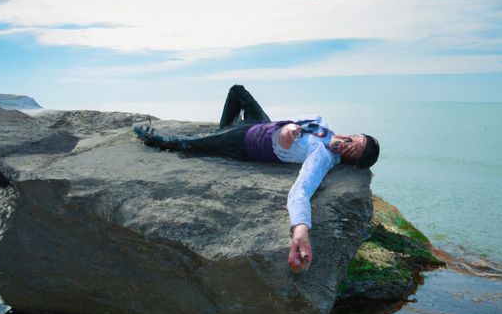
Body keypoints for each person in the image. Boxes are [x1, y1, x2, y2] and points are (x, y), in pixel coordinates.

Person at [133, 84, 379, 272]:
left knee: (182, 145)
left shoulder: (321, 157)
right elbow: (306, 122)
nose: (346, 144)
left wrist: (301, 229)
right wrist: (291, 127)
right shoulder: (325, 127)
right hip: (262, 125)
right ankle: (222, 131)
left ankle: (201, 137)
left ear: (348, 160)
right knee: (237, 91)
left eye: (351, 150)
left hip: (246, 142)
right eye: (352, 139)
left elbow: (301, 191)